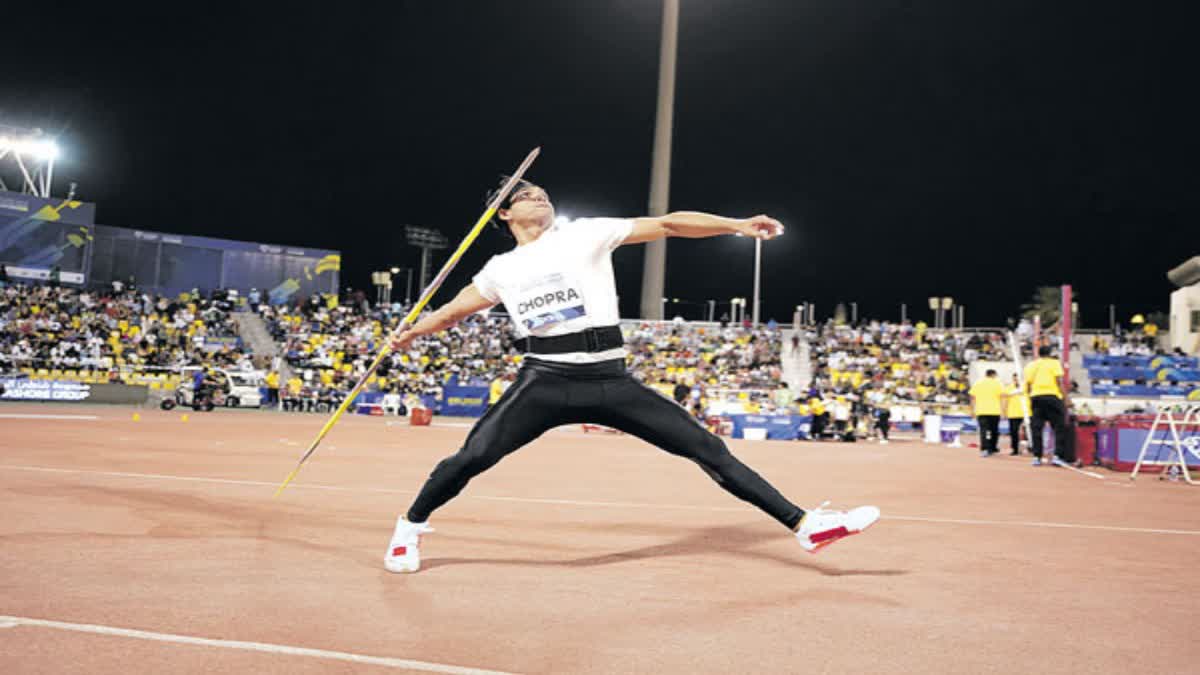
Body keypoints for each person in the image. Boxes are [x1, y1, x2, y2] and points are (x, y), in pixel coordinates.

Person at [382, 180, 879, 573]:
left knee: (708, 451)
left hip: (612, 381)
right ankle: (409, 526)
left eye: (544, 193)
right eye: (526, 195)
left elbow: (668, 224)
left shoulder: (584, 234)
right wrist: (407, 335)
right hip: (546, 380)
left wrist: (735, 225)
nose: (540, 198)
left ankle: (806, 525)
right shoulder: (499, 269)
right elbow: (450, 313)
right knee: (472, 457)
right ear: (504, 215)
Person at [1024, 346, 1070, 466]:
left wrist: (1031, 398)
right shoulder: (1054, 363)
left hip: (1036, 397)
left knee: (1037, 428)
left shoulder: (1031, 365)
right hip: (1051, 396)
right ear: (1050, 353)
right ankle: (1057, 455)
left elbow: (1028, 385)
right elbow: (1059, 381)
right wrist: (1066, 398)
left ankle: (1036, 457)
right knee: (1059, 427)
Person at [969, 369, 1003, 457]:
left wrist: (972, 410)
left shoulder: (978, 383)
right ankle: (992, 447)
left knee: (984, 431)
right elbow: (1002, 397)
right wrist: (1003, 410)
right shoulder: (997, 384)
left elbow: (972, 397)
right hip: (994, 411)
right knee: (994, 430)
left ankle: (984, 448)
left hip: (982, 411)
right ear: (993, 375)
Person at [1004, 374, 1028, 455]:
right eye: (1014, 379)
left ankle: (1030, 448)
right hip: (1013, 413)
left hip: (1026, 412)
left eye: (1017, 379)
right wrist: (1004, 411)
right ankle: (1015, 449)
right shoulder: (1009, 387)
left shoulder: (1026, 386)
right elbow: (1007, 395)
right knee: (1013, 432)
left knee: (1028, 432)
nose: (1016, 380)